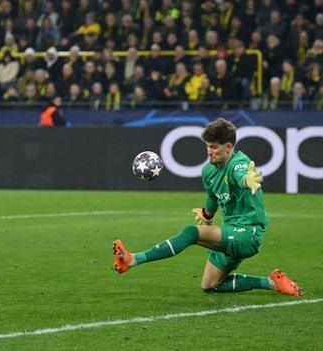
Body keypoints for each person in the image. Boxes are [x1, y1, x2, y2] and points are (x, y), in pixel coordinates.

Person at [113, 118, 303, 296]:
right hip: (231, 232)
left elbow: (242, 175)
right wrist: (207, 214)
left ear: (228, 148)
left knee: (191, 233)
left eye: (214, 147)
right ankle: (272, 282)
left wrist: (247, 180)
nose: (209, 151)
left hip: (248, 233)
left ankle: (133, 259)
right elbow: (212, 197)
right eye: (207, 147)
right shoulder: (208, 171)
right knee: (210, 286)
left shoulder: (239, 163)